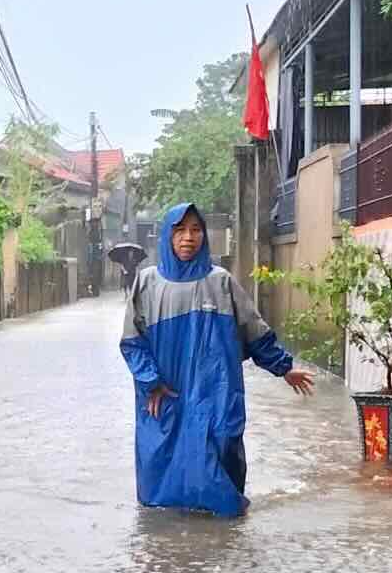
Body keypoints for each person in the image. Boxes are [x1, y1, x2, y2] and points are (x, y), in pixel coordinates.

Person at [119, 202, 314, 516]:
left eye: (196, 230)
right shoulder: (147, 283)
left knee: (221, 454)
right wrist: (151, 382)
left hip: (216, 393)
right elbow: (132, 342)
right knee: (163, 479)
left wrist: (285, 368)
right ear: (167, 236)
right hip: (166, 394)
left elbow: (253, 330)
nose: (188, 237)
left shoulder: (221, 282)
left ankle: (225, 534)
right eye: (180, 230)